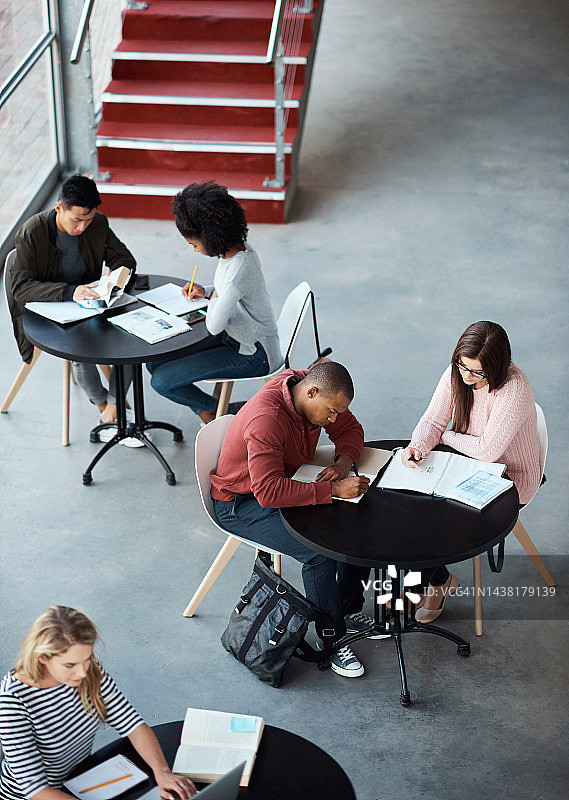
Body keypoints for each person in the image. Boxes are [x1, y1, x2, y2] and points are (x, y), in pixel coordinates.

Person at [210, 361, 376, 678]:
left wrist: (342, 464)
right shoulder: (266, 419)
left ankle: (344, 610)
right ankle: (332, 638)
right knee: (318, 550)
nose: (333, 419)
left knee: (352, 520)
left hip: (284, 481)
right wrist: (331, 490)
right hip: (240, 504)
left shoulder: (311, 388)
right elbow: (268, 493)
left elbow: (350, 430)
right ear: (311, 392)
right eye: (329, 412)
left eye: (337, 411)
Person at [400, 320, 541, 622]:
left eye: (476, 372)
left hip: (509, 477)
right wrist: (420, 445)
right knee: (408, 506)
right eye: (462, 366)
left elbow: (489, 451)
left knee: (432, 520)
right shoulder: (458, 370)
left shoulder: (514, 388)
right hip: (465, 463)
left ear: (496, 367)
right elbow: (432, 420)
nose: (466, 376)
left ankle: (430, 583)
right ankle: (433, 579)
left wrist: (445, 436)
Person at [0, 606, 196, 800]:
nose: (83, 672)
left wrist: (162, 772)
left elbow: (132, 724)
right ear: (42, 657)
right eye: (70, 665)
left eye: (87, 658)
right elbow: (35, 790)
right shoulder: (13, 700)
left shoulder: (89, 672)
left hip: (79, 781)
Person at [9, 174, 138, 442]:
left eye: (88, 219)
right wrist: (70, 292)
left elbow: (125, 258)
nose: (82, 227)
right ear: (59, 208)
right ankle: (104, 407)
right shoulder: (32, 232)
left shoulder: (97, 224)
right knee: (80, 348)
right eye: (77, 219)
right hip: (49, 309)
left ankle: (112, 410)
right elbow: (21, 289)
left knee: (133, 337)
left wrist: (114, 275)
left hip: (91, 304)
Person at [147, 181, 282, 425]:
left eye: (194, 244)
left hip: (254, 352)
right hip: (239, 334)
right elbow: (228, 292)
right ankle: (208, 412)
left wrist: (215, 298)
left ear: (210, 236)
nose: (195, 251)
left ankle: (222, 411)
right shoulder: (237, 251)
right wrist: (206, 291)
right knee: (154, 361)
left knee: (161, 381)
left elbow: (214, 325)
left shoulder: (238, 269)